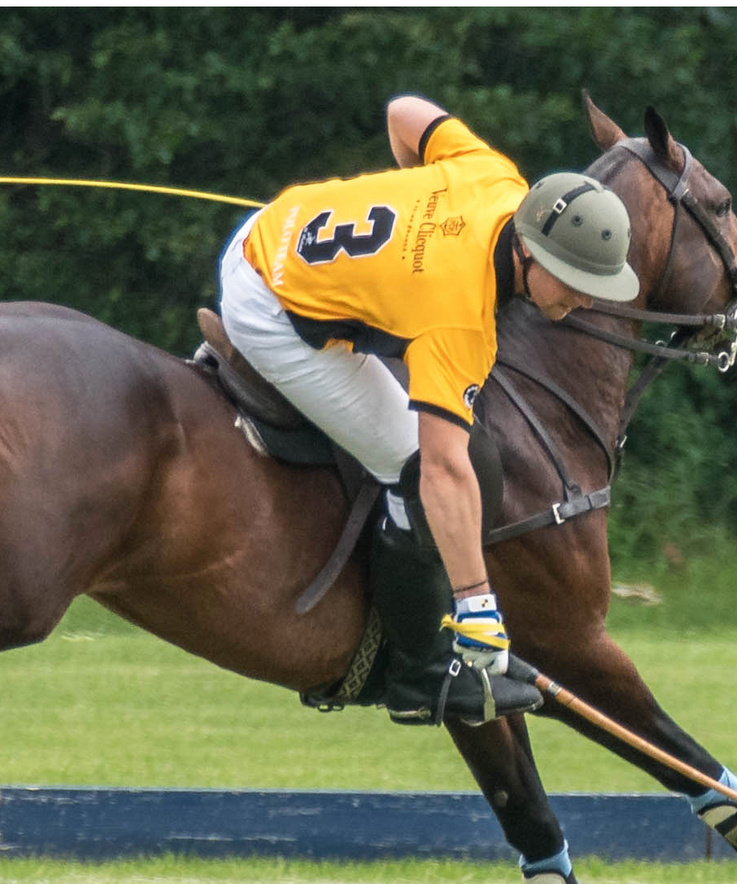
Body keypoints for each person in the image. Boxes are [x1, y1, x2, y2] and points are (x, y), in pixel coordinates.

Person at [217, 94, 638, 726]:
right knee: (411, 465)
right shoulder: (459, 321)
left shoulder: (495, 176)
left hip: (276, 224)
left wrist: (417, 209)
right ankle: (419, 674)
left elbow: (403, 111)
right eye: (575, 283)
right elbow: (443, 468)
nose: (583, 301)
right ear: (529, 255)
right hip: (270, 305)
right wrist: (477, 606)